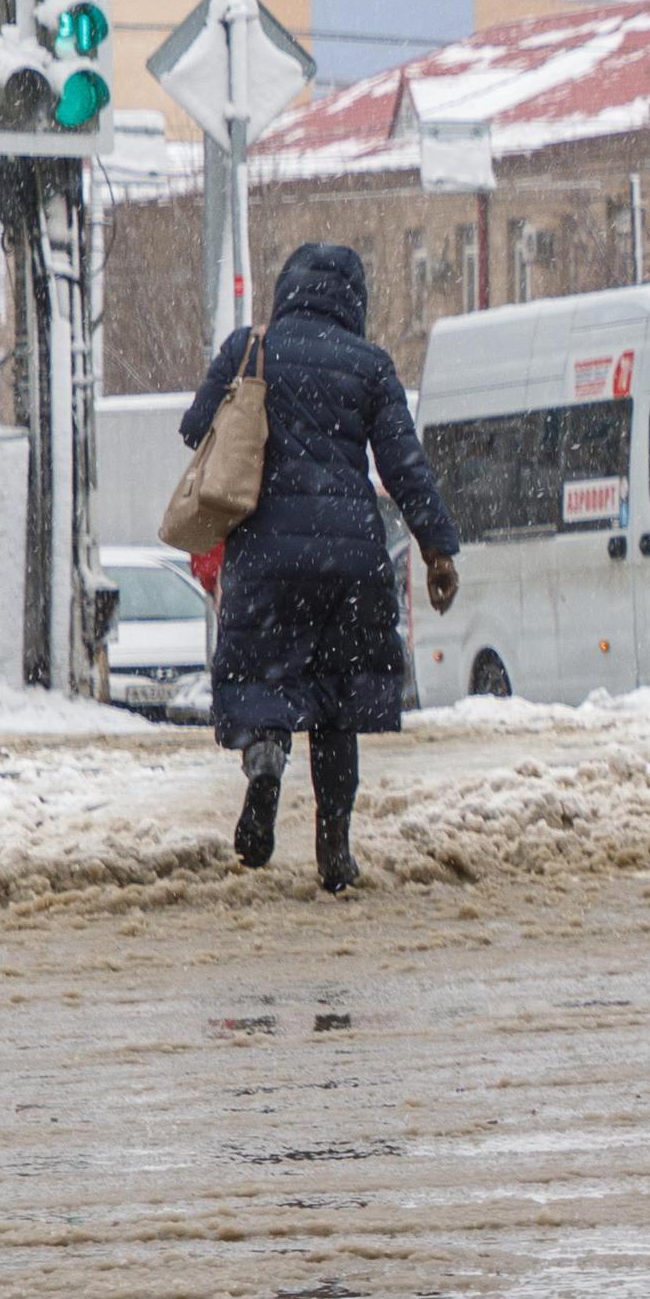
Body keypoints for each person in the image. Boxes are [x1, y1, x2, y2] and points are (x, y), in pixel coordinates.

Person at [181, 248, 460, 886]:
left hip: (268, 555)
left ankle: (266, 765)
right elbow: (404, 466)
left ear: (288, 291)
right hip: (351, 559)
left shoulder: (250, 348)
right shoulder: (371, 366)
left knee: (264, 682)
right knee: (337, 710)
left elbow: (198, 427)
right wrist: (436, 547)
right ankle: (334, 850)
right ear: (353, 300)